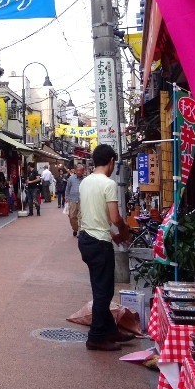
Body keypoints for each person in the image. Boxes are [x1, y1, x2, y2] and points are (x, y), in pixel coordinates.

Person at [77, 144, 133, 351]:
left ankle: (110, 330)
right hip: (99, 243)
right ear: (111, 161)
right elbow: (114, 217)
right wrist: (123, 229)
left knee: (100, 288)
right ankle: (96, 337)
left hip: (86, 239)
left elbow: (94, 216)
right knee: (104, 292)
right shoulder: (108, 184)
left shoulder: (85, 183)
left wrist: (113, 236)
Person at [65, 163, 86, 237]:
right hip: (73, 200)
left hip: (82, 200)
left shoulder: (86, 179)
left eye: (80, 171)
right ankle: (75, 228)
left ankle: (80, 231)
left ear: (83, 171)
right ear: (75, 171)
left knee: (81, 216)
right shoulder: (71, 179)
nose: (79, 172)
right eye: (77, 171)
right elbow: (67, 188)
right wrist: (66, 197)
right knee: (72, 216)